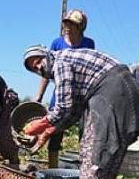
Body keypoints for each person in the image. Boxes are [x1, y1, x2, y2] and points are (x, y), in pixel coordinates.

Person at [23, 46, 139, 179]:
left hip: (111, 88)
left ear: (46, 55)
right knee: (111, 148)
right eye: (33, 68)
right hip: (126, 87)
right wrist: (47, 132)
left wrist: (38, 126)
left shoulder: (60, 62)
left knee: (94, 145)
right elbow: (73, 112)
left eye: (38, 62)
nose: (38, 68)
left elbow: (63, 107)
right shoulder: (67, 64)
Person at [35, 9, 96, 168]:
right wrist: (39, 96)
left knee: (85, 131)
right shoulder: (57, 43)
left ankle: (85, 168)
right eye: (66, 23)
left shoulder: (88, 44)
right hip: (61, 93)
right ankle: (53, 169)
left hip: (82, 94)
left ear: (80, 26)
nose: (67, 26)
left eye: (72, 24)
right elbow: (47, 71)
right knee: (54, 130)